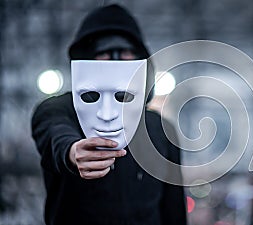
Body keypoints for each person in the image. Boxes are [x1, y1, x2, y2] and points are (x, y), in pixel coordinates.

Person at [31, 4, 187, 225]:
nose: (115, 60)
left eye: (124, 53)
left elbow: (174, 209)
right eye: (104, 52)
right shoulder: (59, 110)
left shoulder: (160, 129)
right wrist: (72, 152)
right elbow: (55, 132)